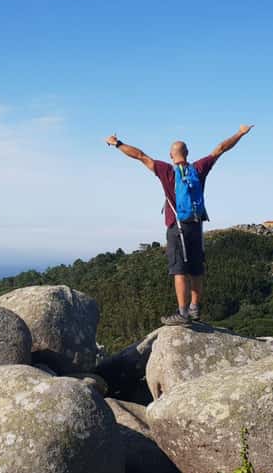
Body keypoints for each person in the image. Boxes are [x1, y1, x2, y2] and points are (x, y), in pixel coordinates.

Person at [105, 125, 255, 325]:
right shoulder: (199, 168)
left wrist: (117, 144)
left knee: (179, 270)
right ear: (188, 154)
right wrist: (240, 133)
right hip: (196, 226)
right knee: (196, 270)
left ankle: (182, 313)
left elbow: (140, 155)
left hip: (177, 227)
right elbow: (220, 148)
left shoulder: (166, 170)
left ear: (171, 155)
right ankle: (194, 309)